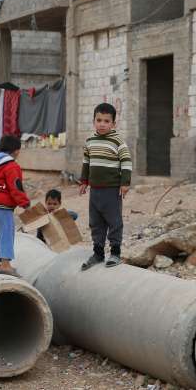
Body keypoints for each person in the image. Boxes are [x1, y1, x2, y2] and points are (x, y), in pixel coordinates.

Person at [79, 103, 132, 270]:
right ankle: (98, 253)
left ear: (113, 124)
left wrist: (125, 183)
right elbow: (86, 162)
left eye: (106, 121)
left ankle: (115, 253)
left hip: (111, 190)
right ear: (94, 121)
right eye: (99, 120)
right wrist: (84, 181)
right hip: (95, 191)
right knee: (96, 222)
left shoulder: (118, 141)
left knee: (114, 221)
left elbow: (126, 162)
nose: (102, 124)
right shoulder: (90, 141)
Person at [0, 135, 30, 277]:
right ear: (15, 151)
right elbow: (16, 186)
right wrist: (24, 202)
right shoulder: (12, 166)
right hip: (3, 207)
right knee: (6, 234)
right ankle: (6, 265)